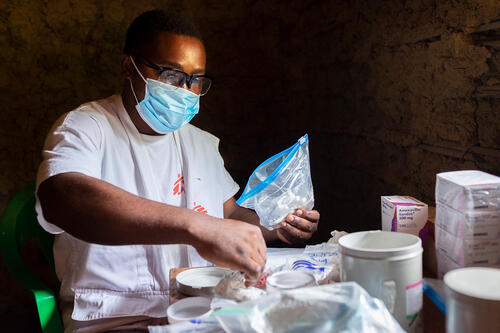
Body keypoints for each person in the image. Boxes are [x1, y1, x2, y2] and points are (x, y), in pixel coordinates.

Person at [36, 9, 319, 332]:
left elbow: (227, 215)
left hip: (195, 311)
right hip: (113, 319)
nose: (185, 89)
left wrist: (276, 224)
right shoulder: (87, 127)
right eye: (171, 74)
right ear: (129, 67)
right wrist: (195, 227)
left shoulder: (199, 143)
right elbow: (64, 197)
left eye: (196, 79)